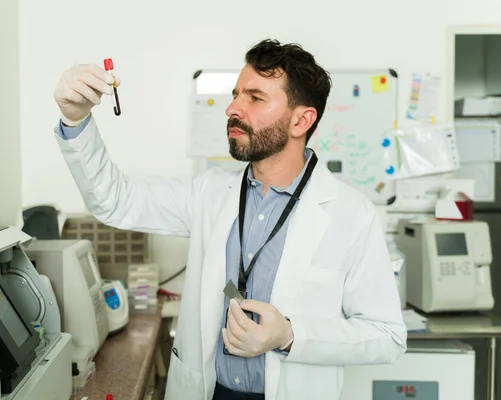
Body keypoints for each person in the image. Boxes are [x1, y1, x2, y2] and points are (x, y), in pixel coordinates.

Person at [53, 38, 407, 400]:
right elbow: (114, 201)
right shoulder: (209, 194)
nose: (233, 108)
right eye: (237, 94)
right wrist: (76, 119)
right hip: (207, 390)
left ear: (302, 120)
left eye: (254, 98)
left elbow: (386, 336)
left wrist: (289, 335)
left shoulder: (350, 214)